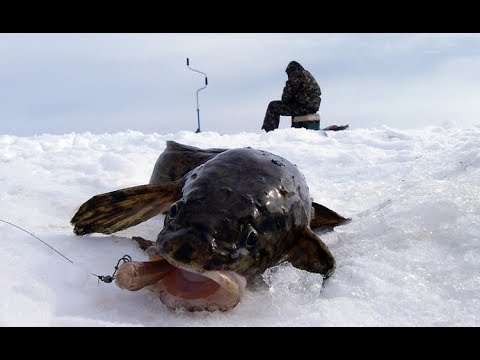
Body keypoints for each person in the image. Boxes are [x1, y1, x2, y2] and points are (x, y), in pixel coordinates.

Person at [261, 61, 321, 132]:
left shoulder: (296, 74)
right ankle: (295, 131)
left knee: (273, 106)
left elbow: (286, 97)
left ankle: (268, 132)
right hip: (311, 108)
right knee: (294, 107)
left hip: (302, 107)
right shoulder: (307, 75)